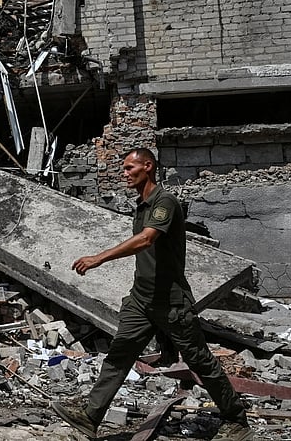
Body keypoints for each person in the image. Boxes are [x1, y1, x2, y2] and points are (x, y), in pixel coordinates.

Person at [51, 148, 251, 441]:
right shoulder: (141, 205)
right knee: (120, 354)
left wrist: (99, 258)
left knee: (200, 360)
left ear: (148, 166)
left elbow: (146, 239)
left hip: (171, 302)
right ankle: (90, 416)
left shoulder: (164, 202)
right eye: (124, 168)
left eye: (130, 167)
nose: (125, 172)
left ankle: (236, 419)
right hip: (141, 300)